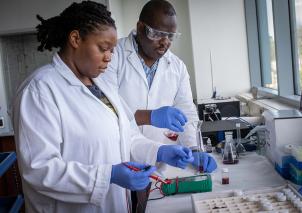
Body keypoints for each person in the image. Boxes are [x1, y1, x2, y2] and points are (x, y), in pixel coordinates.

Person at [12, 1, 194, 212]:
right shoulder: (40, 91)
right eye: (103, 48)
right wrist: (109, 175)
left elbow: (127, 135)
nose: (109, 57)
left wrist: (160, 151)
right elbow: (39, 169)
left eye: (112, 50)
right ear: (75, 39)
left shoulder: (102, 86)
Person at [102, 0, 216, 173]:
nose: (165, 42)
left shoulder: (177, 66)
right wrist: (150, 116)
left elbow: (187, 112)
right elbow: (106, 110)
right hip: (119, 160)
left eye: (171, 36)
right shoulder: (112, 56)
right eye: (157, 34)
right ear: (140, 28)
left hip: (159, 162)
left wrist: (194, 149)